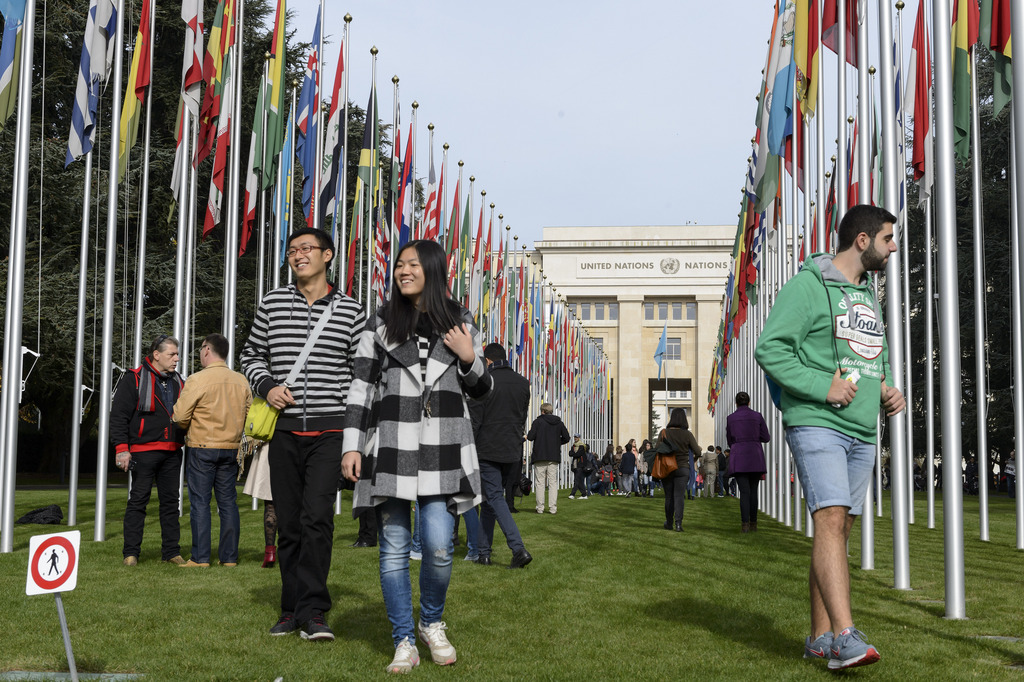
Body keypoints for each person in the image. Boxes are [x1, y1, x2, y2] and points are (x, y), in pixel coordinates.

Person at [754, 204, 906, 670]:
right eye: (887, 238)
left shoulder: (866, 294)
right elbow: (770, 349)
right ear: (862, 240)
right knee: (830, 521)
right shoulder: (806, 286)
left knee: (837, 531)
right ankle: (846, 637)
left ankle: (820, 636)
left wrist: (882, 387)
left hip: (862, 428)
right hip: (817, 420)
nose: (892, 247)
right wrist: (825, 387)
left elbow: (864, 357)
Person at [341, 239, 491, 673]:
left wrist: (468, 359)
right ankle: (403, 638)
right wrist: (352, 444)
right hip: (391, 444)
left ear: (432, 269)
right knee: (392, 547)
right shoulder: (382, 322)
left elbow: (482, 391)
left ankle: (431, 622)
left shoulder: (460, 321)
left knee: (440, 547)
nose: (403, 271)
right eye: (399, 265)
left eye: (412, 265)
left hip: (444, 446)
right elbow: (361, 387)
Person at [241, 227, 366, 642]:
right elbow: (251, 354)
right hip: (285, 431)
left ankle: (313, 611)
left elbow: (362, 374)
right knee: (289, 523)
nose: (298, 255)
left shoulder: (352, 310)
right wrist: (266, 386)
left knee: (318, 519)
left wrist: (355, 437)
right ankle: (290, 608)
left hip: (331, 430)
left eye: (306, 249)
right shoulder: (272, 304)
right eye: (292, 250)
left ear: (327, 255)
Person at [173, 333, 252, 568]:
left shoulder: (197, 379)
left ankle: (200, 557)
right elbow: (250, 416)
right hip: (231, 448)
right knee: (228, 503)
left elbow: (179, 416)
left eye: (200, 349)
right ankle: (229, 558)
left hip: (202, 447)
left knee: (200, 503)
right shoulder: (241, 380)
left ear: (207, 349)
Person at [111, 334, 186, 566]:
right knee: (138, 502)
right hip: (142, 452)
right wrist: (122, 449)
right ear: (156, 355)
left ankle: (171, 552)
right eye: (171, 354)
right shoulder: (132, 379)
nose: (176, 359)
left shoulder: (180, 381)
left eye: (177, 354)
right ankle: (131, 553)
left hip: (173, 451)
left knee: (171, 503)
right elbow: (119, 417)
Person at [468, 343, 532, 566]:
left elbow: (475, 421)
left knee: (494, 498)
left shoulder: (485, 381)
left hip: (488, 449)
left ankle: (518, 549)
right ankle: (483, 553)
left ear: (487, 361)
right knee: (488, 501)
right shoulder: (523, 383)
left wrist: (467, 449)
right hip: (512, 450)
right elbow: (521, 417)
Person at [725, 392, 770, 532]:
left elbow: (729, 439)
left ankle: (745, 524)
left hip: (739, 455)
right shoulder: (757, 416)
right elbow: (766, 437)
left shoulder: (731, 418)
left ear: (736, 403)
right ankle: (753, 523)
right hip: (755, 455)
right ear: (749, 402)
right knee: (753, 491)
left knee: (744, 492)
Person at [655, 409, 699, 531]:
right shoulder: (687, 434)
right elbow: (698, 451)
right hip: (683, 467)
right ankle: (678, 524)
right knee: (679, 496)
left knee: (669, 496)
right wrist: (693, 458)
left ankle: (669, 523)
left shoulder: (664, 432)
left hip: (667, 468)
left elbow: (657, 448)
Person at [526, 403, 571, 513]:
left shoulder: (537, 422)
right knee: (553, 482)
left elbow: (530, 437)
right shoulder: (559, 423)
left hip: (540, 455)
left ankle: (540, 507)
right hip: (553, 456)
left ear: (542, 411)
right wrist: (557, 443)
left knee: (540, 482)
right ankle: (553, 508)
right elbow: (567, 437)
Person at [567, 435, 590, 499]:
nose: (575, 438)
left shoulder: (582, 446)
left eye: (576, 437)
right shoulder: (574, 445)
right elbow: (570, 453)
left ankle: (572, 494)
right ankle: (584, 494)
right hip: (575, 465)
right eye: (575, 437)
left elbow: (578, 454)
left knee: (576, 480)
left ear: (579, 438)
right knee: (579, 480)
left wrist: (574, 454)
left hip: (580, 465)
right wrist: (574, 454)